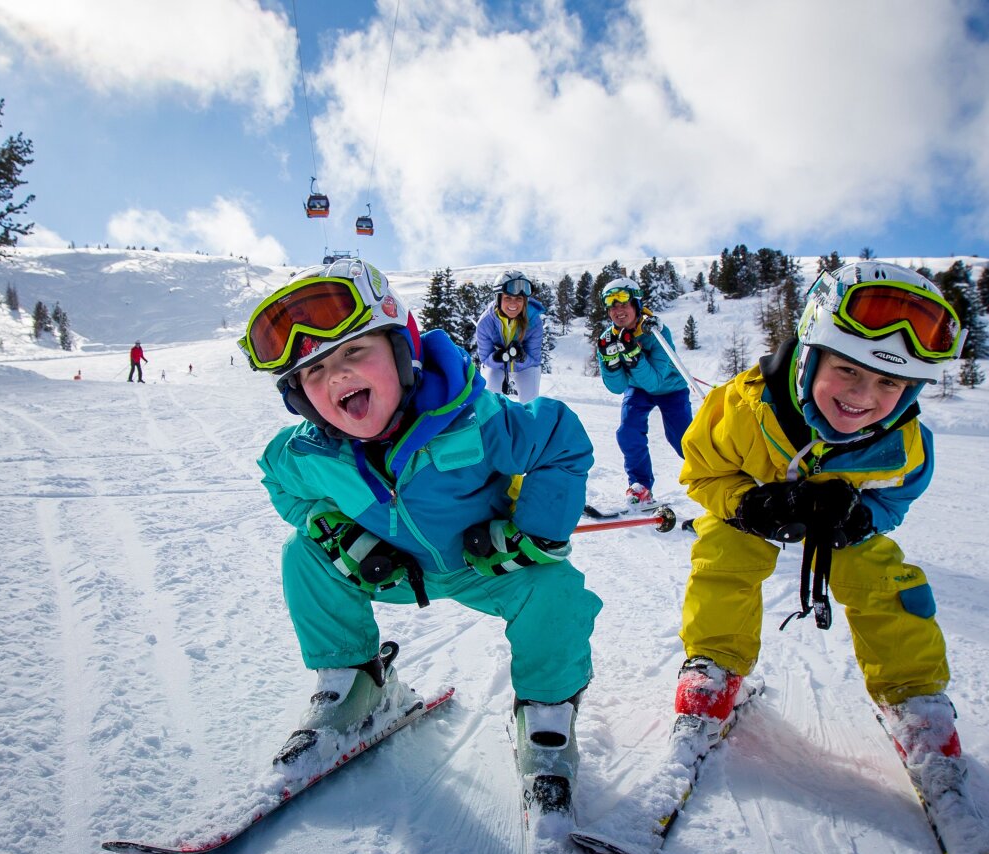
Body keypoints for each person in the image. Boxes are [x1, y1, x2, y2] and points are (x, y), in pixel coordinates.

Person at [245, 256, 601, 816]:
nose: (336, 377)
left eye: (354, 351)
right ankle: (353, 681)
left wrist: (532, 532)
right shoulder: (306, 454)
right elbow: (281, 485)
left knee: (555, 593)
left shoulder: (475, 418)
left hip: (484, 567)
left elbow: (561, 439)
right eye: (314, 373)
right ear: (299, 399)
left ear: (402, 348)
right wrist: (334, 530)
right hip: (391, 569)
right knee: (305, 555)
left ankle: (547, 715)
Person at [675, 260, 970, 800]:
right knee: (722, 554)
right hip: (756, 507)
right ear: (811, 355)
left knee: (883, 576)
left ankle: (914, 698)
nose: (864, 396)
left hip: (838, 523)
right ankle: (713, 671)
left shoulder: (905, 443)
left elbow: (898, 494)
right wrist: (747, 504)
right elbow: (701, 472)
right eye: (849, 370)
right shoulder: (740, 408)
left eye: (889, 382)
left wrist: (864, 517)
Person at [594, 278, 692, 510]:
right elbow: (617, 387)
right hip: (637, 389)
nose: (619, 311)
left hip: (670, 389)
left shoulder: (656, 331)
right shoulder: (609, 339)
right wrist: (610, 363)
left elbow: (656, 381)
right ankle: (640, 486)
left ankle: (710, 478)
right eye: (612, 305)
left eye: (624, 303)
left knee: (682, 439)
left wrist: (633, 356)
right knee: (628, 431)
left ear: (636, 304)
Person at [474, 270, 545, 402]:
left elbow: (534, 360)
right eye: (508, 298)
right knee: (490, 399)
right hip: (497, 367)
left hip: (526, 368)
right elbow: (484, 359)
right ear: (498, 298)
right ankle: (491, 421)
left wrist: (522, 357)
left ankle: (527, 421)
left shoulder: (534, 321)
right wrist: (497, 357)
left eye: (519, 299)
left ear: (525, 301)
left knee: (530, 403)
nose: (513, 304)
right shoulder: (485, 323)